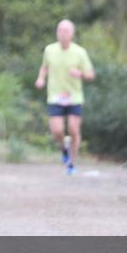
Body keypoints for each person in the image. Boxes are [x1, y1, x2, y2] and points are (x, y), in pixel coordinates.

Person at [35, 19, 95, 176]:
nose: (63, 33)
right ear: (57, 33)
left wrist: (80, 74)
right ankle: (64, 148)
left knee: (73, 130)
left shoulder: (80, 52)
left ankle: (71, 163)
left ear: (72, 34)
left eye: (66, 31)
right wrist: (41, 78)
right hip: (55, 96)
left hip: (74, 97)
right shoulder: (49, 50)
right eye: (60, 30)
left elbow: (90, 75)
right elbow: (44, 67)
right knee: (57, 130)